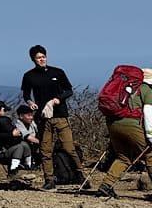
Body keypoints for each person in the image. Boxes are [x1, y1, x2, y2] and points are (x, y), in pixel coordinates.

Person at [21, 44, 86, 190]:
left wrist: (58, 99)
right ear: (33, 60)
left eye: (43, 56)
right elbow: (26, 94)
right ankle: (49, 180)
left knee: (69, 148)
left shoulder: (58, 72)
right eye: (38, 58)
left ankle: (81, 176)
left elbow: (69, 90)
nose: (42, 59)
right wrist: (30, 102)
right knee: (45, 150)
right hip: (43, 118)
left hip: (60, 115)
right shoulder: (29, 76)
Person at [95, 67, 152, 199]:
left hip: (113, 124)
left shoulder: (127, 87)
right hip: (132, 126)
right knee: (150, 155)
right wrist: (150, 136)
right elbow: (149, 114)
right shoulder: (146, 90)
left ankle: (106, 185)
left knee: (123, 157)